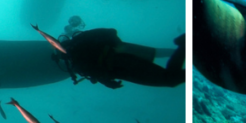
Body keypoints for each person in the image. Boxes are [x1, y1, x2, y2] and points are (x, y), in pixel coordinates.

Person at [54, 28, 185, 88]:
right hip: (121, 71)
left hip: (123, 61)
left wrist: (118, 45)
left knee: (169, 79)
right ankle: (184, 46)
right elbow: (96, 72)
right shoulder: (75, 61)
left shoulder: (80, 41)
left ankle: (185, 45)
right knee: (169, 79)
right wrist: (107, 82)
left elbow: (110, 32)